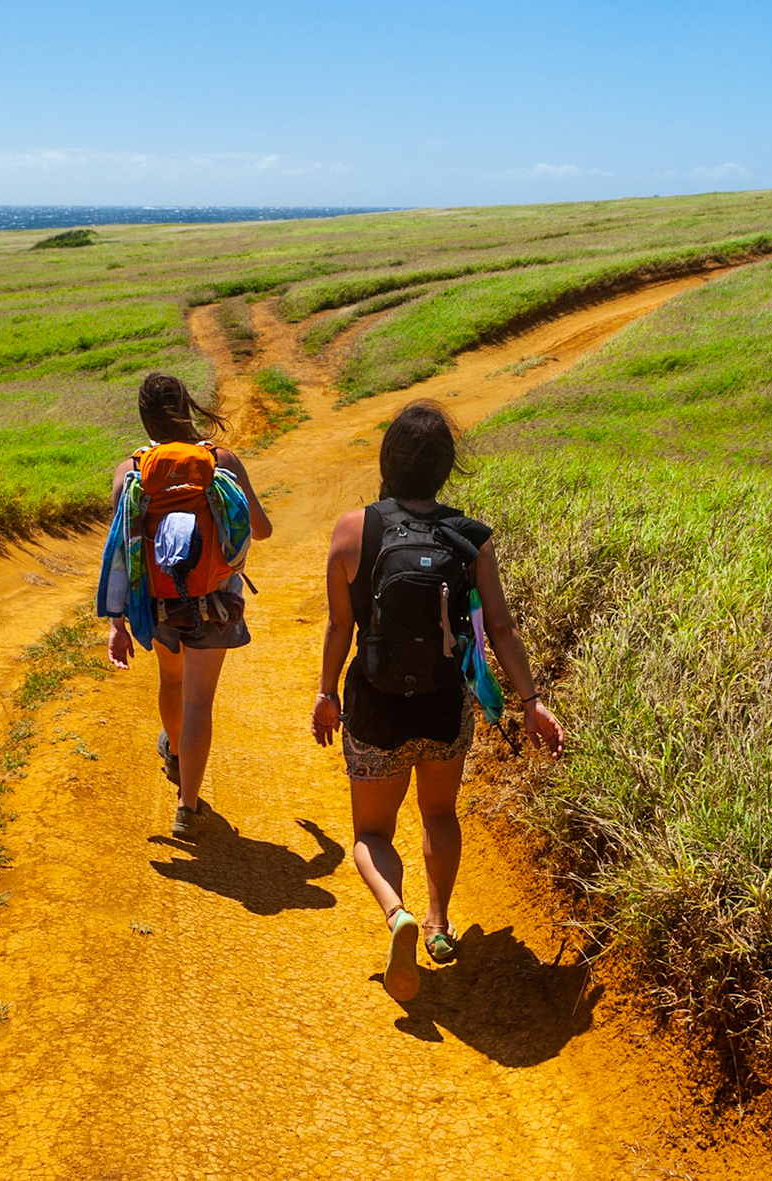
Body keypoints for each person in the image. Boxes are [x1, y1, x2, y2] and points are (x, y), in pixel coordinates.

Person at [310, 401, 564, 1002]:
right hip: (444, 705)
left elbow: (339, 626)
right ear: (446, 468)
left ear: (387, 461)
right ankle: (438, 922)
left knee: (372, 833)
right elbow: (501, 629)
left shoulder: (352, 530)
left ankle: (395, 912)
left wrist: (326, 693)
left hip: (375, 705)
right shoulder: (469, 537)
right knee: (440, 815)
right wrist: (531, 701)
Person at [104, 374, 272, 839]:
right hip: (215, 601)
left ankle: (175, 754)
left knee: (172, 681)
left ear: (144, 417)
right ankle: (188, 806)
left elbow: (120, 553)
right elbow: (261, 530)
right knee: (199, 700)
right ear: (188, 407)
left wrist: (116, 622)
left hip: (159, 602)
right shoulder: (221, 461)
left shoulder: (131, 471)